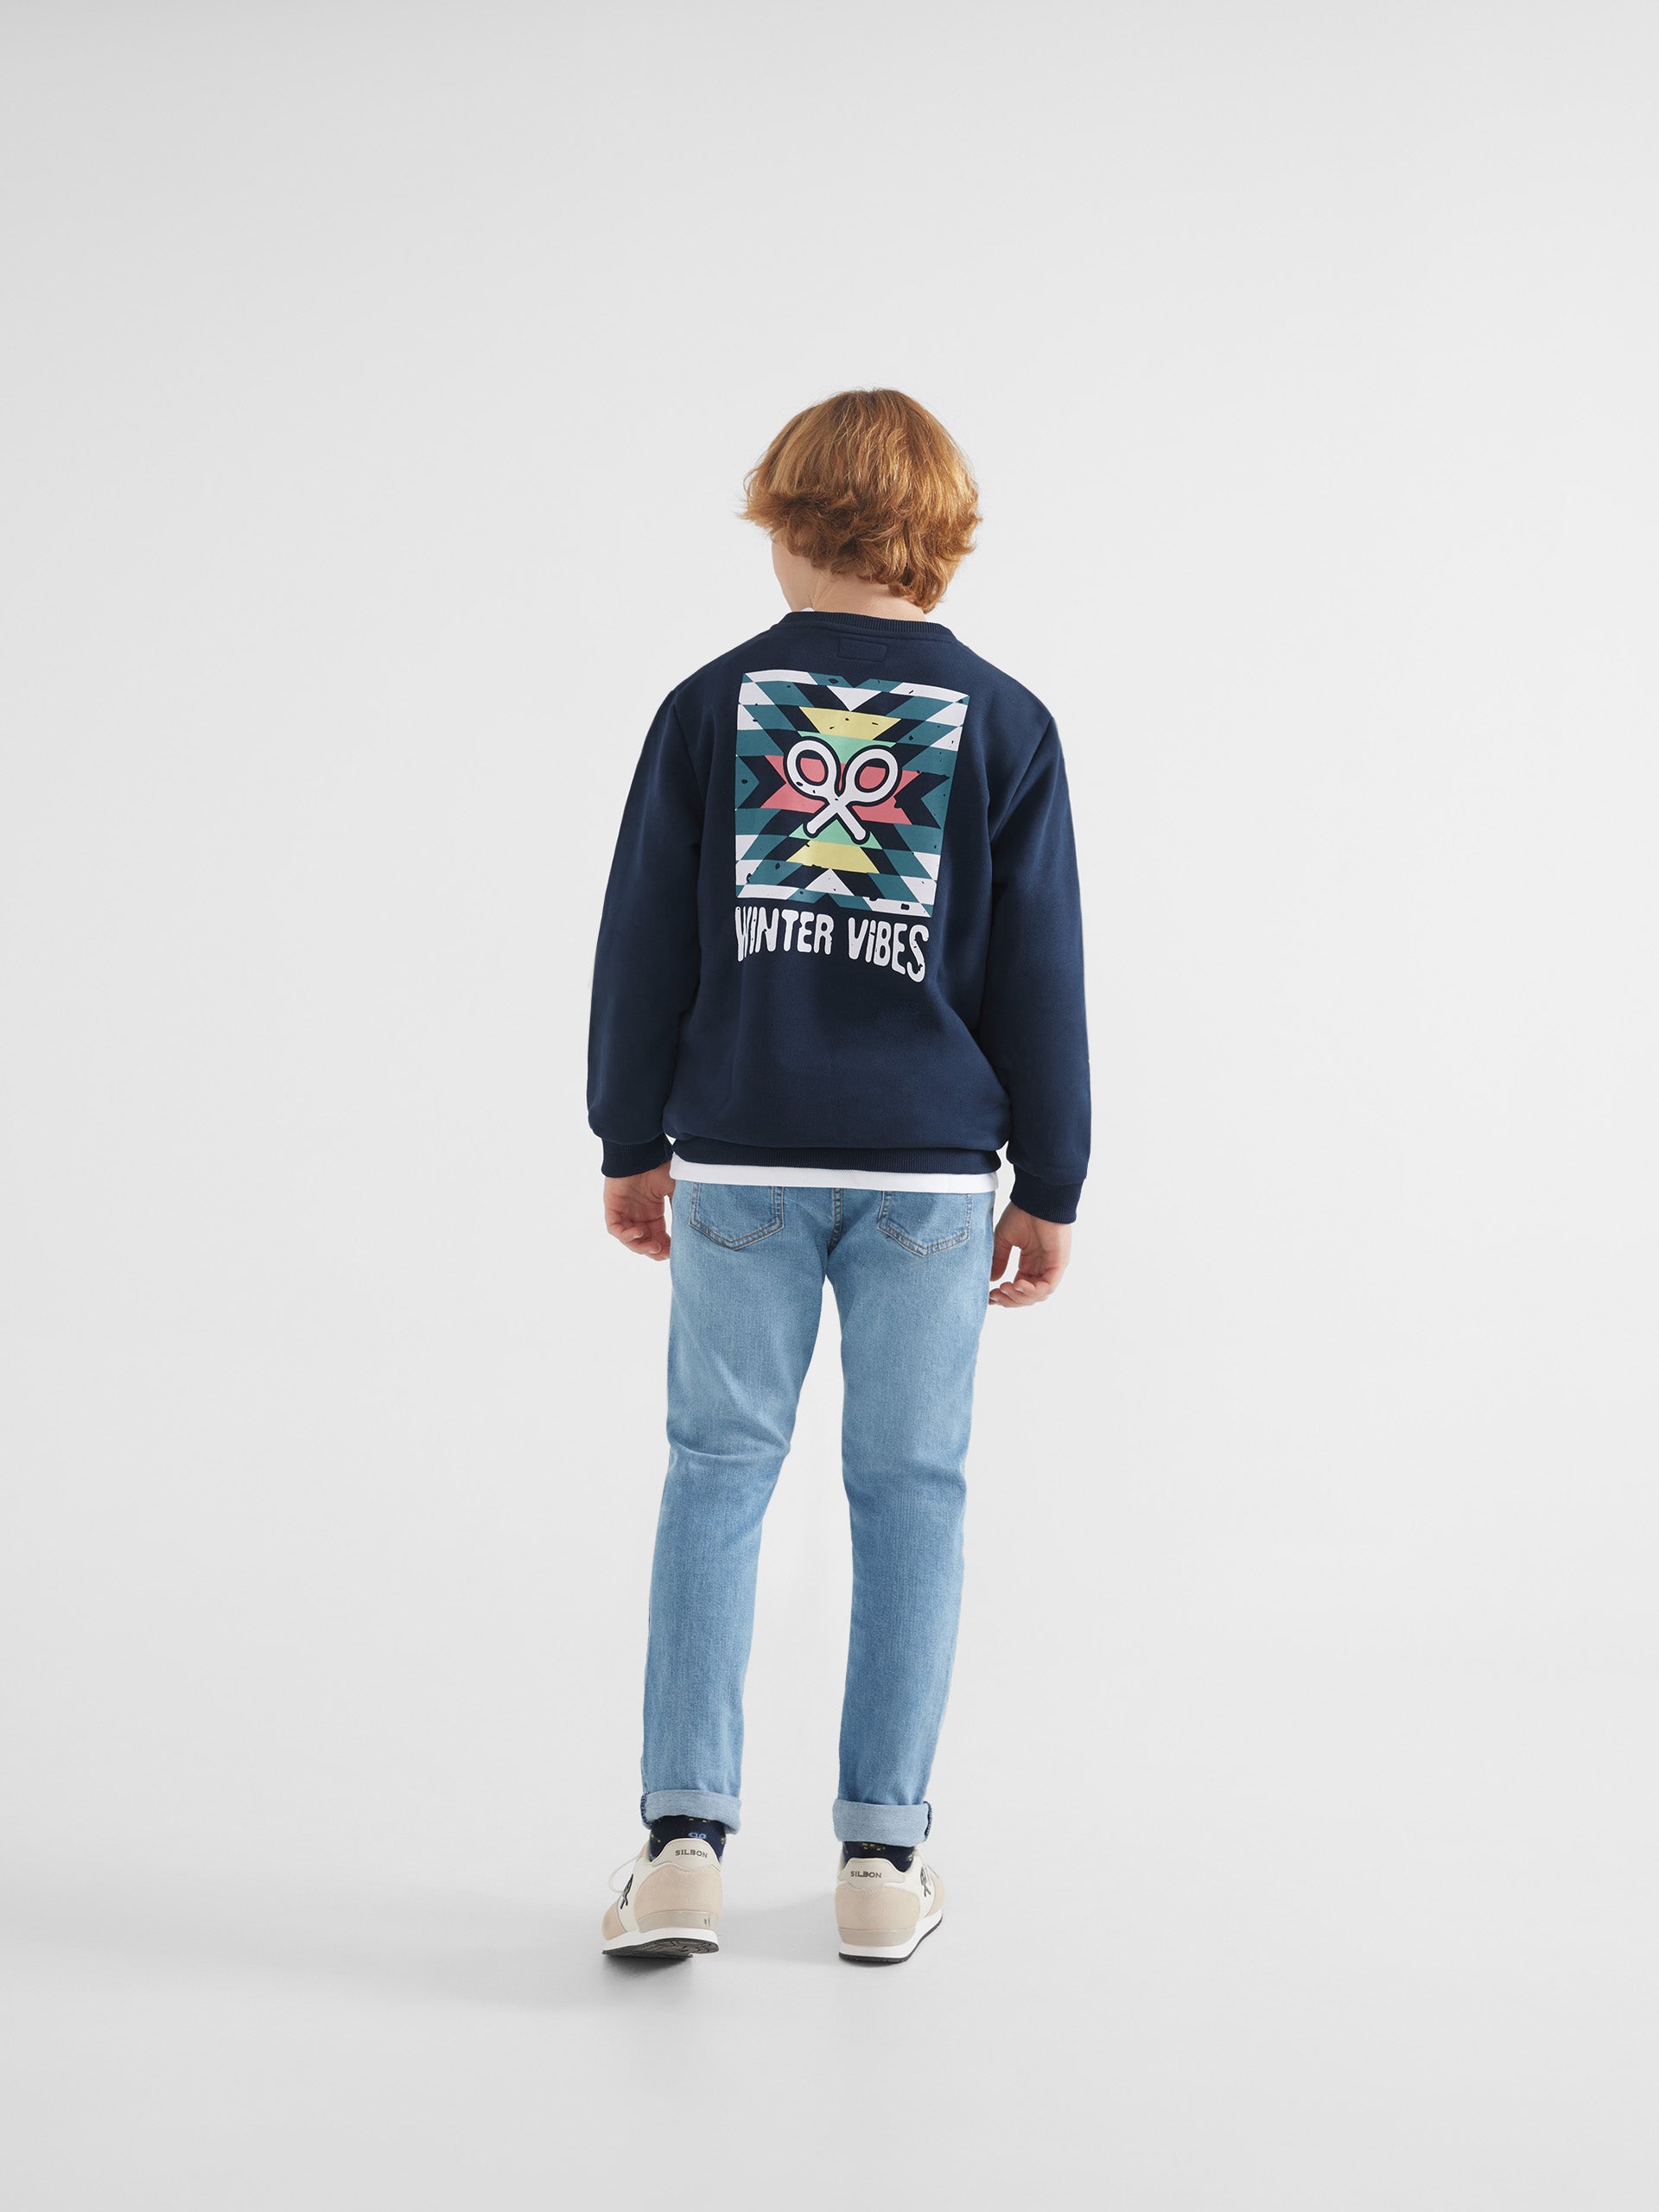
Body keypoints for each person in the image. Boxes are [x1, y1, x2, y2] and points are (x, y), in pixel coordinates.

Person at [588, 389, 1089, 1963]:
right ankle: (883, 1858)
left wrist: (627, 1138)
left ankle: (681, 1845)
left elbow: (640, 945)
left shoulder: (708, 708)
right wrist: (1054, 1177)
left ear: (786, 521)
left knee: (716, 1475)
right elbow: (1043, 974)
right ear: (939, 538)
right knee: (912, 1491)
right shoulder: (1005, 721)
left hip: (739, 1154)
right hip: (931, 1181)